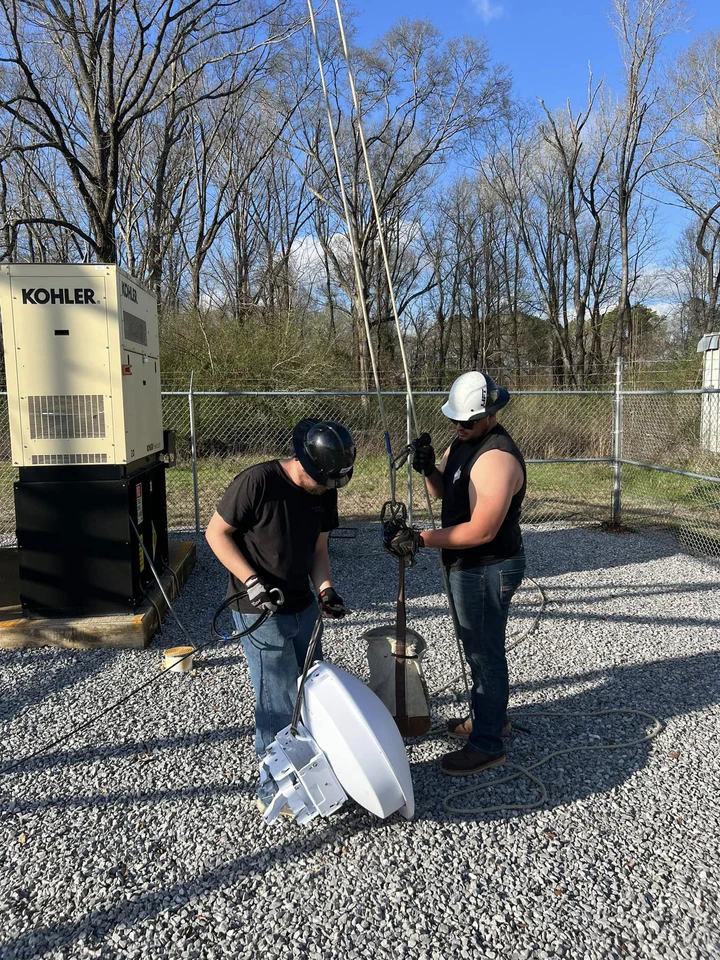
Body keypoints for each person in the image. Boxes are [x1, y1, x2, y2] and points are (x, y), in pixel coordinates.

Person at [386, 372, 526, 776]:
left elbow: (482, 530)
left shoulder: (497, 458)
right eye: (454, 421)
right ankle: (489, 719)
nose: (458, 427)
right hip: (465, 564)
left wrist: (421, 539)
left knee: (484, 654)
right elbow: (444, 492)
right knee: (475, 648)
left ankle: (488, 742)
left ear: (489, 415)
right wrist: (430, 469)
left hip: (487, 566)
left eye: (466, 422)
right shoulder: (463, 442)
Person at [205, 418, 355, 788]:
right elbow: (216, 534)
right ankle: (275, 785)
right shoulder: (257, 482)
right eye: (322, 481)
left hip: (303, 604)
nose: (326, 489)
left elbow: (319, 548)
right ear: (302, 462)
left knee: (311, 686)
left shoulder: (324, 487)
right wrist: (252, 581)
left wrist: (325, 590)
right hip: (258, 609)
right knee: (277, 698)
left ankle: (313, 769)